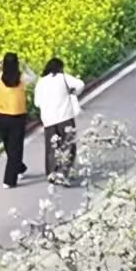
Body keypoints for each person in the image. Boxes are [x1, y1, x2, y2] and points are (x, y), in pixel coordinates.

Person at [0, 52, 35, 188]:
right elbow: (33, 77)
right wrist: (25, 66)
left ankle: (10, 179)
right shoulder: (23, 78)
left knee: (10, 146)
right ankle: (18, 168)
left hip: (2, 115)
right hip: (18, 116)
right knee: (14, 147)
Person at [33, 57, 85, 185]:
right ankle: (64, 171)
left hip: (48, 120)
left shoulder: (41, 82)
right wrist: (73, 92)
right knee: (68, 144)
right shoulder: (63, 77)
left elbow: (37, 103)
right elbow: (80, 84)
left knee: (52, 146)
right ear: (60, 67)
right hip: (65, 118)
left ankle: (52, 172)